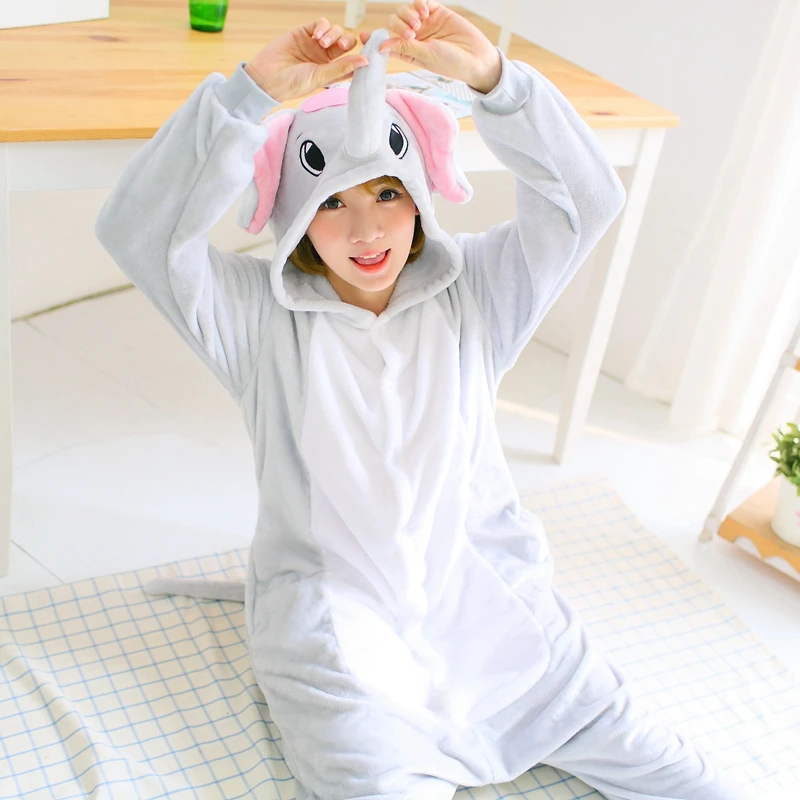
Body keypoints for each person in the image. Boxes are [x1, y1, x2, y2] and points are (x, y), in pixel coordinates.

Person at [95, 2, 746, 798]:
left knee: (688, 779)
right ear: (295, 213)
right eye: (332, 202)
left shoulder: (477, 291)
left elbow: (585, 202)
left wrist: (498, 84)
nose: (367, 232)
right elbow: (139, 231)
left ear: (418, 192)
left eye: (386, 193)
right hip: (337, 617)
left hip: (485, 594)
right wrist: (250, 95)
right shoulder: (256, 316)